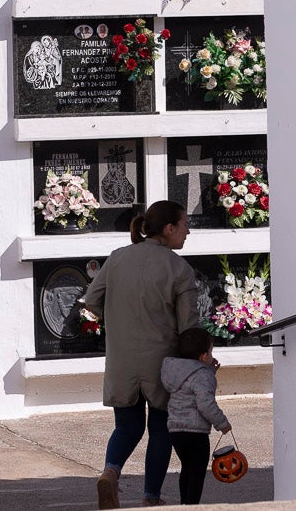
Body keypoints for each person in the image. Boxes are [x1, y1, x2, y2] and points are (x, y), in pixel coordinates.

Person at [84, 200, 200, 509]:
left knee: (127, 427)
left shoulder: (117, 258)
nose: (189, 231)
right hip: (163, 362)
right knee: (160, 428)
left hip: (121, 358)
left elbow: (92, 301)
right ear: (169, 228)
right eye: (185, 224)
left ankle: (110, 472)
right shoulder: (179, 268)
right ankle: (150, 497)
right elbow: (189, 327)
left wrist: (117, 321)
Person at [161, 328, 231, 505]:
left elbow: (192, 382)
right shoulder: (203, 375)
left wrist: (209, 372)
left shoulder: (175, 370)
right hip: (196, 433)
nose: (211, 355)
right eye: (210, 351)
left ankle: (185, 503)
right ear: (203, 356)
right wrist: (222, 423)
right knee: (197, 474)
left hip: (176, 431)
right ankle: (191, 505)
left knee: (187, 469)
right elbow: (205, 404)